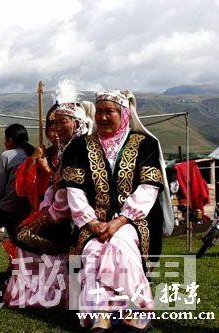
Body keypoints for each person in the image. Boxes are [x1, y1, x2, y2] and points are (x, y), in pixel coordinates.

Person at [61, 90, 174, 332]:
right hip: (92, 224)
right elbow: (74, 190)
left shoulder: (145, 144)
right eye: (99, 111)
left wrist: (120, 220)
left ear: (123, 113)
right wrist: (91, 222)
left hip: (134, 221)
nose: (102, 117)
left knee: (118, 246)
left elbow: (148, 188)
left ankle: (135, 311)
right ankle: (99, 316)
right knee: (92, 250)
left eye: (109, 111)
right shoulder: (80, 146)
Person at [4, 82, 95, 308]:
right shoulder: (56, 150)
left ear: (76, 124)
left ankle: (57, 292)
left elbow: (66, 186)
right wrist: (35, 161)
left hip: (72, 217)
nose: (56, 130)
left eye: (62, 123)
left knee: (26, 235)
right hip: (51, 210)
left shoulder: (78, 148)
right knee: (21, 234)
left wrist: (47, 172)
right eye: (53, 124)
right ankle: (39, 292)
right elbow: (29, 188)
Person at [0, 123, 34, 251]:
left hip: (8, 205)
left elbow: (0, 185)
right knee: (18, 239)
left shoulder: (7, 155)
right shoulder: (32, 154)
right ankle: (17, 267)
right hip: (26, 206)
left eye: (5, 139)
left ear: (10, 139)